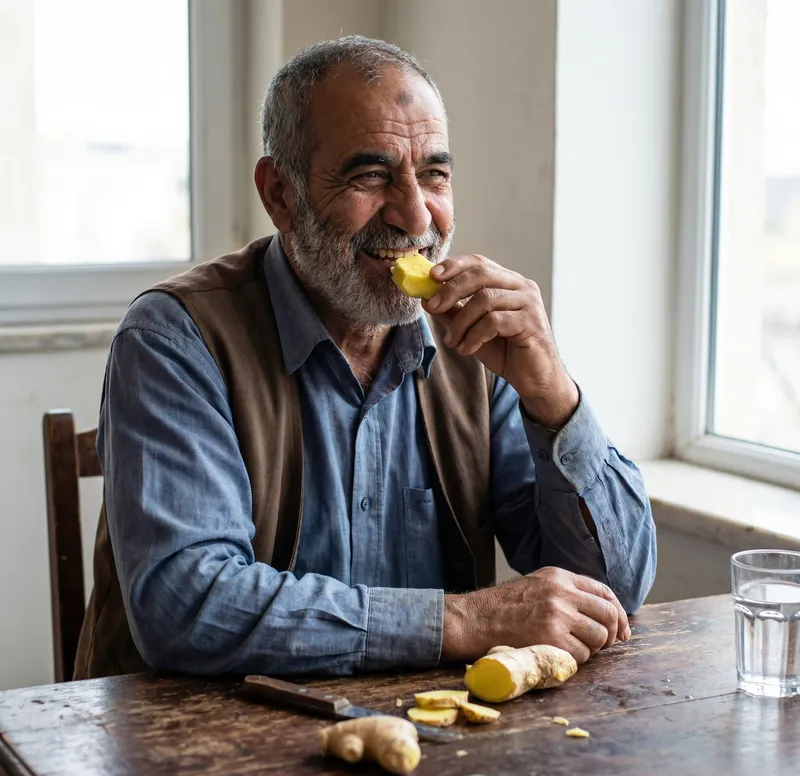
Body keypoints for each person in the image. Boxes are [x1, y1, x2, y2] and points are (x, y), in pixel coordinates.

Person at [74, 36, 656, 680]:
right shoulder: (175, 338)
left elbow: (612, 595)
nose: (415, 216)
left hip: (430, 743)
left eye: (434, 174)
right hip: (202, 754)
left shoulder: (475, 347)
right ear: (280, 194)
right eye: (370, 175)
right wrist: (466, 621)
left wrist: (553, 396)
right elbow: (187, 608)